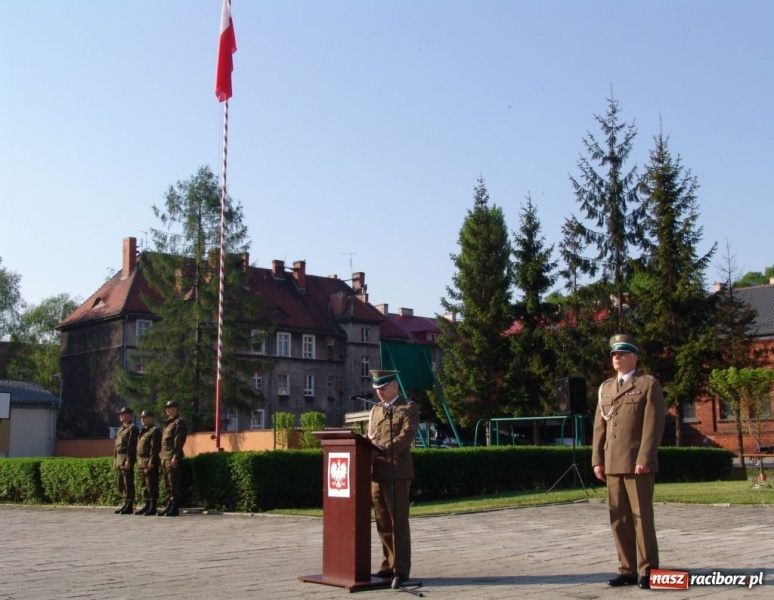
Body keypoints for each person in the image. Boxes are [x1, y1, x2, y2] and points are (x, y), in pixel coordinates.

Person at [592, 334, 666, 590]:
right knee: (619, 518)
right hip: (612, 463)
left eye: (622, 353)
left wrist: (645, 457)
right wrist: (597, 461)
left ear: (634, 356)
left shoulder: (647, 384)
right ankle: (626, 570)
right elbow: (599, 428)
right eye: (614, 354)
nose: (617, 357)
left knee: (641, 518)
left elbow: (653, 425)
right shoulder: (606, 388)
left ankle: (649, 571)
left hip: (637, 463)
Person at [367, 370, 419, 589]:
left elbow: (405, 438)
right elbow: (371, 436)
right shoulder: (376, 410)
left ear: (395, 387)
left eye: (383, 388)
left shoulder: (409, 408)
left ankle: (401, 569)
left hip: (397, 472)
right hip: (377, 472)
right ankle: (387, 565)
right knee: (383, 522)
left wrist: (382, 449)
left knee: (398, 522)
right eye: (377, 389)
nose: (379, 393)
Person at [157, 400, 188, 517]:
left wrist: (175, 456)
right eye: (166, 408)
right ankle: (169, 505)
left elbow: (179, 441)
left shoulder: (179, 422)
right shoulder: (168, 423)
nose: (167, 410)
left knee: (173, 482)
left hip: (172, 456)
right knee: (167, 482)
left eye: (169, 407)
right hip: (165, 456)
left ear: (175, 408)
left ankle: (174, 507)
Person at [134, 410, 161, 516]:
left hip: (149, 461)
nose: (142, 419)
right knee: (144, 485)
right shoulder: (143, 431)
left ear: (151, 418)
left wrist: (152, 461)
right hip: (141, 461)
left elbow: (155, 448)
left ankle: (153, 506)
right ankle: (146, 504)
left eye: (144, 417)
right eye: (141, 418)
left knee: (151, 484)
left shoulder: (154, 431)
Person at [113, 406, 138, 515]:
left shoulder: (132, 428)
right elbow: (116, 445)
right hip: (119, 458)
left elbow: (131, 446)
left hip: (126, 458)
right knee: (121, 482)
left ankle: (129, 504)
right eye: (121, 414)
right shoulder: (120, 429)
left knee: (128, 481)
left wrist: (129, 459)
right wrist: (115, 459)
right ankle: (125, 502)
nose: (121, 416)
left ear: (129, 415)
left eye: (123, 414)